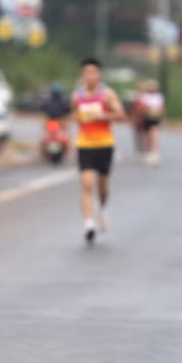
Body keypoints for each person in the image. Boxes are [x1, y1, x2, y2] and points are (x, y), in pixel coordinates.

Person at [71, 57, 126, 243]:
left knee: (102, 186)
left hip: (104, 144)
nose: (89, 76)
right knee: (86, 184)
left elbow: (120, 114)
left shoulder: (107, 94)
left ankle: (102, 208)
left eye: (93, 72)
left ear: (99, 74)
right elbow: (75, 115)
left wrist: (103, 114)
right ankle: (88, 223)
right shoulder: (77, 96)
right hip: (84, 144)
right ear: (82, 75)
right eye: (86, 72)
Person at [133, 79, 164, 166]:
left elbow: (161, 108)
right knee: (146, 136)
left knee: (154, 134)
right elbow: (140, 107)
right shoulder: (144, 96)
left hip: (154, 118)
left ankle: (155, 152)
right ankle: (148, 151)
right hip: (146, 118)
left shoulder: (158, 96)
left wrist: (160, 116)